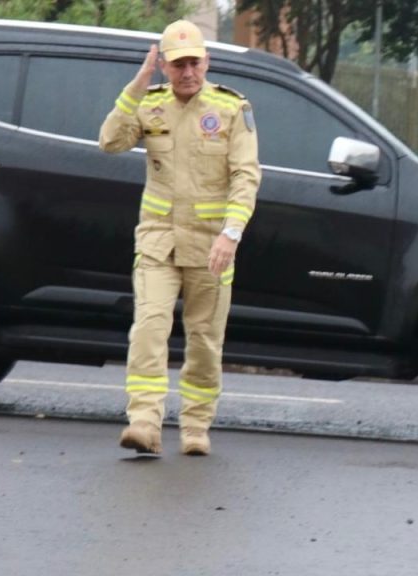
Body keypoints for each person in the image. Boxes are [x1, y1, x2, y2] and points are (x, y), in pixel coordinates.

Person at [98, 20, 261, 456]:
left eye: (194, 62)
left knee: (205, 340)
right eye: (177, 64)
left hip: (212, 246)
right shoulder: (150, 105)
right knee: (149, 328)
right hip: (158, 242)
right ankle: (145, 423)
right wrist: (137, 85)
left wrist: (231, 234)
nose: (187, 72)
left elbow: (246, 177)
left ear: (207, 61)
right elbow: (109, 141)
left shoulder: (230, 109)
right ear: (165, 67)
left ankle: (195, 427)